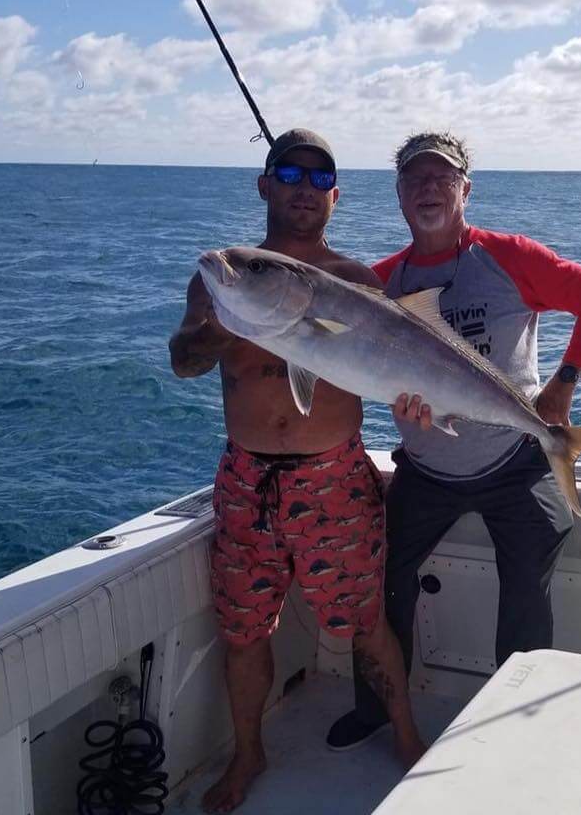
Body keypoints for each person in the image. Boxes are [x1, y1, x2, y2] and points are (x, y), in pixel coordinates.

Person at [327, 131, 581, 750]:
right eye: (415, 180)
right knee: (381, 581)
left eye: (442, 178)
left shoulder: (509, 257)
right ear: (399, 196)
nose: (428, 189)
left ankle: (515, 726)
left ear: (466, 189)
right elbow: (358, 367)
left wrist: (564, 388)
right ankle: (378, 707)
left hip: (515, 460)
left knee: (526, 585)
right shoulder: (382, 284)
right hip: (426, 467)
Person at [170, 129, 425, 812]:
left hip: (334, 478)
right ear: (264, 185)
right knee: (244, 629)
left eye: (320, 179)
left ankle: (406, 733)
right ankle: (249, 752)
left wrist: (420, 405)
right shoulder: (224, 274)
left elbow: (399, 371)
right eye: (289, 173)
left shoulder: (355, 282)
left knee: (366, 620)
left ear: (335, 197)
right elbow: (184, 362)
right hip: (246, 481)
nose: (304, 189)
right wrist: (227, 326)